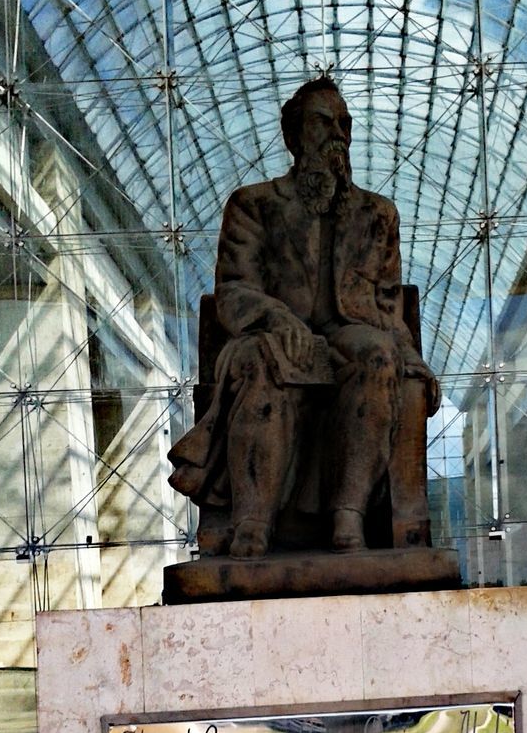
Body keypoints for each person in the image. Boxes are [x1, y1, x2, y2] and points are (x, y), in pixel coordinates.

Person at [168, 76, 439, 557]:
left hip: (347, 335)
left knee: (376, 357)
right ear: (294, 137)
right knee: (260, 363)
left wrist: (407, 353)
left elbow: (387, 302)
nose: (338, 134)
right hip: (272, 337)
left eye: (344, 125)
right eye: (323, 123)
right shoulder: (253, 205)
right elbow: (233, 289)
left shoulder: (378, 214)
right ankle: (252, 523)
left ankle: (348, 517)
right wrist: (276, 317)